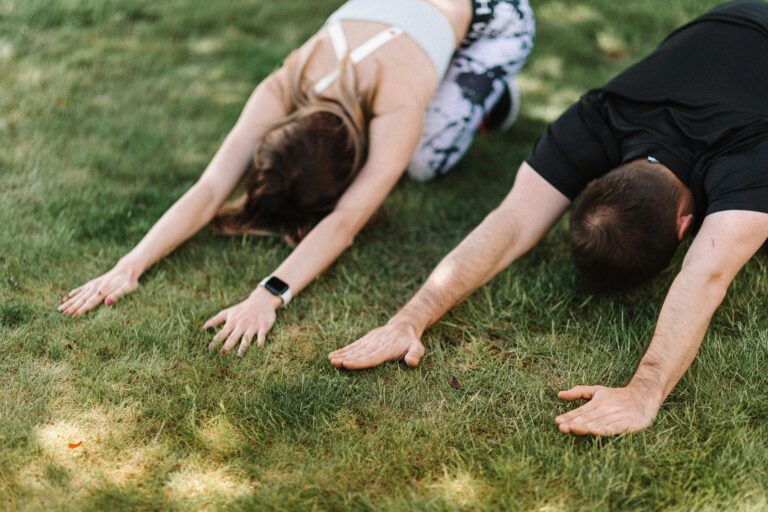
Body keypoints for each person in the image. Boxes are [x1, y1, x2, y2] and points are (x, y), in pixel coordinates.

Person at [329, 0, 768, 436]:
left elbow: (707, 275)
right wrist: (409, 318)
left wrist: (645, 389)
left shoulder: (746, 158)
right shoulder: (598, 117)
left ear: (683, 228)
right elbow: (512, 223)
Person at [57, 0, 536, 355]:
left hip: (495, 18)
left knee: (423, 163)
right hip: (407, 20)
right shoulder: (286, 81)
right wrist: (130, 265)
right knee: (405, 146)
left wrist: (269, 294)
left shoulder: (397, 102)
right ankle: (450, 74)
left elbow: (347, 220)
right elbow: (209, 189)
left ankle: (490, 93)